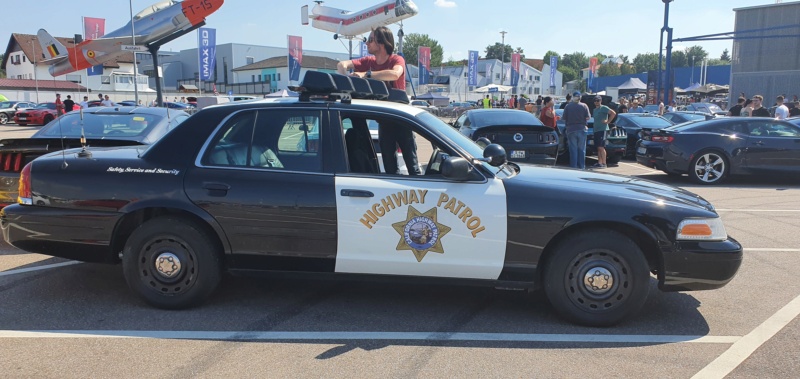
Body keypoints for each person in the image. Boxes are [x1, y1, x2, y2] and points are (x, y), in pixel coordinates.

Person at [337, 26, 419, 175]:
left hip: (402, 120)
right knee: (389, 169)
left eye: (370, 40)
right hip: (385, 121)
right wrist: (346, 80)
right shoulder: (369, 60)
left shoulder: (396, 59)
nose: (366, 44)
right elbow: (341, 64)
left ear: (381, 43)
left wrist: (366, 75)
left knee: (413, 167)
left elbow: (395, 74)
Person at [562, 91, 590, 170]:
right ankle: (582, 167)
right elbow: (588, 117)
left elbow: (564, 118)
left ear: (573, 97)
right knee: (581, 149)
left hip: (571, 130)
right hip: (582, 129)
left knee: (573, 150)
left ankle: (573, 167)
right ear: (580, 97)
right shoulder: (584, 106)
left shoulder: (568, 106)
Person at [590, 96, 617, 169]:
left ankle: (604, 163)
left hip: (602, 129)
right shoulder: (595, 110)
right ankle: (599, 162)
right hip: (596, 130)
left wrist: (608, 122)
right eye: (595, 100)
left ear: (601, 101)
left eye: (598, 100)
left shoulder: (603, 108)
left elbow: (613, 113)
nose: (596, 102)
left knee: (601, 147)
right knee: (598, 147)